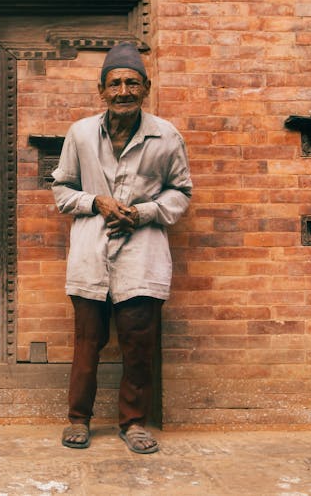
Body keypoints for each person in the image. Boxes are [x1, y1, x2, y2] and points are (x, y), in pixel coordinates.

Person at [52, 42, 192, 454]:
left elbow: (181, 192)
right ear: (102, 91)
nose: (124, 91)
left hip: (141, 252)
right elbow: (61, 189)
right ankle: (78, 419)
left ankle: (133, 423)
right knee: (86, 342)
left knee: (138, 343)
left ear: (146, 87)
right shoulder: (80, 133)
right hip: (90, 252)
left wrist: (145, 212)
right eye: (115, 84)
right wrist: (95, 201)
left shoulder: (166, 136)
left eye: (132, 83)